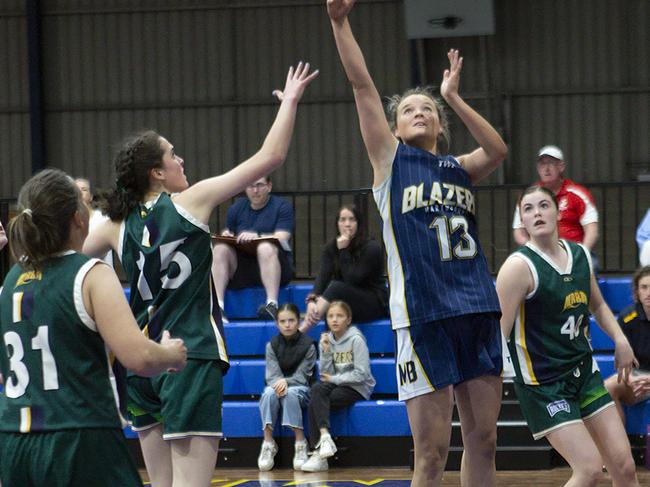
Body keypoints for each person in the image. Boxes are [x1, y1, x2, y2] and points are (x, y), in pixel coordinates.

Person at [82, 63, 318, 487]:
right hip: (189, 356)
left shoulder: (114, 225)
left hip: (141, 363)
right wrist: (292, 104)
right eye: (173, 154)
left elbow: (67, 265)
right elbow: (271, 157)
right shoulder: (191, 201)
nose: (181, 159)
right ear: (157, 172)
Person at [327, 1, 508, 484]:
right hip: (424, 315)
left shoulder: (459, 168)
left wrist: (454, 95)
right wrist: (339, 23)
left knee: (484, 444)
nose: (419, 112)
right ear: (396, 127)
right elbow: (362, 86)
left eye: (428, 108)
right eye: (408, 109)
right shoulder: (390, 161)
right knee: (430, 454)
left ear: (440, 123)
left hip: (477, 307)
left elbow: (498, 150)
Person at [0, 168, 187, 487]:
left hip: (15, 443)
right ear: (78, 218)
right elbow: (138, 357)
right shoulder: (89, 273)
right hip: (80, 437)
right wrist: (171, 354)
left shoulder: (11, 281)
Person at [496, 185, 639, 487]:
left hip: (583, 371)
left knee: (624, 467)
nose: (537, 213)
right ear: (521, 220)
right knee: (588, 470)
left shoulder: (580, 254)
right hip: (544, 383)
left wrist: (620, 340)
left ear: (558, 212)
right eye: (529, 208)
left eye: (544, 205)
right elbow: (498, 332)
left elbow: (597, 304)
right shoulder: (518, 267)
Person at [301, 300, 375, 472]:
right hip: (337, 383)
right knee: (316, 390)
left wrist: (335, 379)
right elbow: (325, 374)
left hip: (357, 387)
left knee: (316, 401)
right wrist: (326, 351)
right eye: (330, 316)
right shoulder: (326, 339)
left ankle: (318, 453)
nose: (334, 320)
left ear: (348, 320)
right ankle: (325, 437)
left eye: (339, 316)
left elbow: (361, 374)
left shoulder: (356, 340)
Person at [212, 174, 294, 321]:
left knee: (265, 247)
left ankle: (272, 305)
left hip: (276, 268)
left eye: (260, 185)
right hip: (243, 268)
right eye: (251, 186)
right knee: (220, 248)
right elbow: (229, 233)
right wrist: (227, 235)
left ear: (269, 186)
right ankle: (218, 307)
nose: (255, 190)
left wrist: (258, 237)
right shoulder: (236, 208)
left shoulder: (282, 206)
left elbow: (283, 237)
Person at [301, 204, 388, 331]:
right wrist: (312, 301)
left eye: (352, 219)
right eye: (343, 220)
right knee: (332, 305)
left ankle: (301, 332)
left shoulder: (371, 247)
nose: (347, 224)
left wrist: (343, 251)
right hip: (345, 301)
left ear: (359, 223)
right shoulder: (331, 247)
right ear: (337, 224)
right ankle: (328, 348)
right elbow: (322, 278)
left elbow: (352, 279)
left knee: (336, 288)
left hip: (373, 303)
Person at [257, 302, 316, 472]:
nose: (287, 324)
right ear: (277, 324)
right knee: (268, 393)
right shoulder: (272, 345)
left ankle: (300, 442)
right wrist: (280, 382)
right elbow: (272, 375)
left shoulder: (309, 345)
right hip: (277, 387)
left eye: (291, 320)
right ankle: (268, 443)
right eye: (283, 321)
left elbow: (303, 376)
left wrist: (286, 382)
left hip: (302, 389)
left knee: (290, 393)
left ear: (298, 321)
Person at [512, 146, 599, 254]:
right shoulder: (528, 196)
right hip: (540, 254)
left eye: (551, 163)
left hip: (574, 252)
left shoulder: (577, 194)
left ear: (561, 166)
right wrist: (535, 252)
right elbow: (519, 232)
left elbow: (592, 230)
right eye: (542, 164)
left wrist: (582, 253)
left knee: (591, 264)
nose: (546, 168)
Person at [604, 265, 650, 421]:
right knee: (607, 388)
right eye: (644, 287)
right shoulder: (627, 318)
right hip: (638, 378)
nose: (649, 293)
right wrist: (630, 378)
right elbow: (624, 361)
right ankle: (620, 444)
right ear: (637, 291)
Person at [75, 177, 113, 265]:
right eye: (76, 190)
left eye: (84, 190)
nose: (80, 193)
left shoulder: (103, 219)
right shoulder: (69, 222)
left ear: (91, 196)